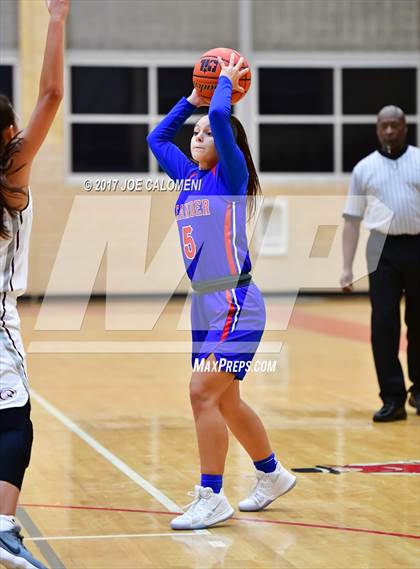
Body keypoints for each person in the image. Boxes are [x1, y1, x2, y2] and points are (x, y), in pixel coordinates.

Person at [148, 54, 296, 530]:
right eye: (196, 132)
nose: (198, 133)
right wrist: (189, 99)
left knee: (201, 394)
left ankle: (212, 496)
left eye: (207, 133)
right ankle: (271, 474)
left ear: (229, 143)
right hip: (204, 304)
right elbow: (156, 138)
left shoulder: (229, 178)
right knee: (225, 400)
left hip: (235, 301)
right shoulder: (188, 178)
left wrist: (224, 89)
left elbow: (218, 116)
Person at [0, 1, 69, 567]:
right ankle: (2, 526)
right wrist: (56, 18)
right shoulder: (9, 176)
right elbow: (50, 96)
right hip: (0, 325)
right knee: (13, 421)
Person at [340, 105, 420, 422]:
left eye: (395, 126)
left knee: (419, 322)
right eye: (384, 126)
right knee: (383, 324)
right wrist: (346, 267)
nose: (389, 131)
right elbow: (351, 220)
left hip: (417, 243)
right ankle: (392, 397)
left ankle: (419, 389)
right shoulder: (364, 169)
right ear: (377, 129)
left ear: (405, 128)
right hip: (381, 247)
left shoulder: (418, 160)